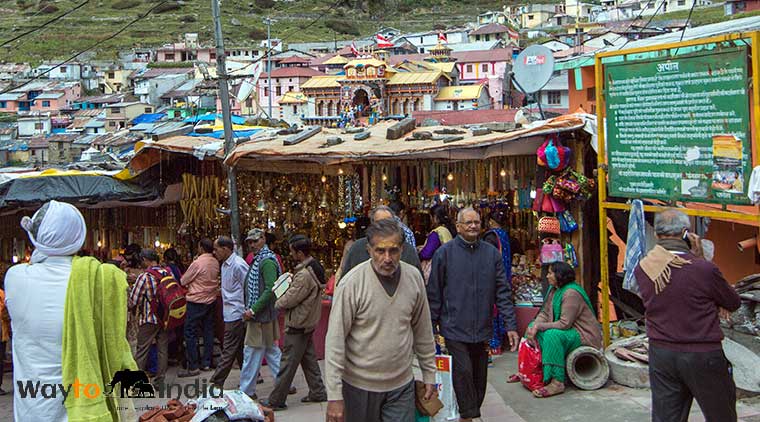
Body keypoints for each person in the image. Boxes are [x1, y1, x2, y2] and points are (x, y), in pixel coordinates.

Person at [6, 201, 134, 420]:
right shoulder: (101, 280)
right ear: (79, 238)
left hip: (33, 408)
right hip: (88, 401)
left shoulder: (15, 277)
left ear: (35, 238)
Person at [634, 209, 741, 422]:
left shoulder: (643, 268)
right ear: (686, 233)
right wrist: (700, 258)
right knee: (721, 416)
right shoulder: (703, 269)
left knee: (667, 417)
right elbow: (733, 302)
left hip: (661, 353)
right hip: (702, 353)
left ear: (656, 235)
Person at [325, 219, 437, 422]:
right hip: (359, 387)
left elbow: (423, 330)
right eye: (380, 251)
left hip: (401, 386)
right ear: (369, 250)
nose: (387, 258)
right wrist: (334, 396)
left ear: (402, 250)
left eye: (393, 251)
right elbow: (335, 342)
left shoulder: (413, 278)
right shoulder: (352, 284)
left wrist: (429, 373)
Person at [427, 207, 519, 422]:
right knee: (463, 372)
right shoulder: (444, 253)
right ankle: (468, 417)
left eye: (476, 222)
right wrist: (430, 328)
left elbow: (502, 291)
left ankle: (468, 414)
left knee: (479, 378)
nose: (472, 226)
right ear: (458, 227)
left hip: (482, 328)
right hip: (453, 326)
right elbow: (434, 293)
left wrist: (511, 325)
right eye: (467, 222)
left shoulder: (490, 254)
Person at [263, 235, 328, 410]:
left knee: (287, 363)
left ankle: (276, 400)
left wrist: (278, 301)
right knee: (308, 359)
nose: (290, 254)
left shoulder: (304, 275)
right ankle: (318, 391)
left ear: (299, 253)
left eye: (292, 251)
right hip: (308, 320)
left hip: (298, 322)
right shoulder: (314, 268)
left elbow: (290, 299)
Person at [521, 262, 601, 398]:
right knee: (531, 328)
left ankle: (557, 382)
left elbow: (565, 324)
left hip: (582, 335)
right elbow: (545, 313)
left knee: (552, 335)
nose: (547, 276)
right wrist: (535, 325)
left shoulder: (571, 293)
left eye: (550, 273)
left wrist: (539, 326)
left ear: (559, 275)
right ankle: (530, 371)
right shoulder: (554, 290)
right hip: (567, 331)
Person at [240, 228, 283, 400]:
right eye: (250, 242)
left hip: (260, 316)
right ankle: (284, 384)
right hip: (264, 315)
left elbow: (270, 289)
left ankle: (246, 391)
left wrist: (253, 309)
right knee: (271, 351)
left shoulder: (265, 261)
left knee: (252, 352)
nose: (252, 245)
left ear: (263, 239)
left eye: (255, 241)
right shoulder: (261, 259)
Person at [339, 205, 422, 280]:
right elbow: (345, 281)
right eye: (379, 225)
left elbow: (418, 283)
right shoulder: (357, 248)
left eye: (387, 224)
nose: (387, 258)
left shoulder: (408, 251)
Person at [210, 236, 249, 389]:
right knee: (238, 348)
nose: (214, 253)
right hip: (230, 311)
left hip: (237, 312)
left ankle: (216, 382)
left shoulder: (238, 264)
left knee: (228, 349)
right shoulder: (225, 265)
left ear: (226, 249)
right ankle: (252, 375)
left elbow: (248, 287)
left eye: (216, 249)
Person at [178, 238, 221, 377]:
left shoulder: (197, 263)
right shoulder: (215, 262)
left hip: (196, 301)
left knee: (190, 332)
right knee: (208, 330)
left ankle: (193, 365)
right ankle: (206, 362)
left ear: (201, 248)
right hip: (210, 299)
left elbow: (183, 280)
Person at [129, 249, 172, 385]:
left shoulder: (144, 277)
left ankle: (138, 383)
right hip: (165, 318)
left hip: (148, 318)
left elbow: (133, 301)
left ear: (145, 260)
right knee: (162, 350)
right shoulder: (167, 273)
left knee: (142, 350)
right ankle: (160, 381)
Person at [482, 210, 513, 356]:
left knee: (492, 308)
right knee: (501, 305)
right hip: (504, 275)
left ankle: (494, 344)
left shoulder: (491, 236)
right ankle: (504, 339)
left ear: (490, 221)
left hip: (493, 276)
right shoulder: (504, 234)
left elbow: (487, 258)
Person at [418, 204, 455, 282]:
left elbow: (427, 253)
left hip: (436, 271)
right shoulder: (448, 229)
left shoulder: (437, 233)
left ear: (435, 217)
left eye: (431, 217)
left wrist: (419, 253)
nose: (430, 219)